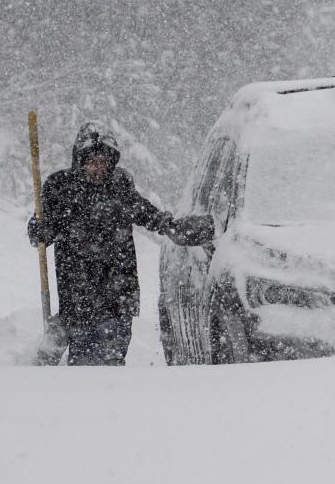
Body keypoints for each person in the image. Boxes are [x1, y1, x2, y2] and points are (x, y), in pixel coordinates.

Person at [27, 121, 215, 365]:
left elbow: (145, 212)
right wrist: (41, 229)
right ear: (80, 161)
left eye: (103, 163)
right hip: (77, 292)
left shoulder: (119, 186)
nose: (98, 169)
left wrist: (171, 226)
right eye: (91, 162)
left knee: (110, 360)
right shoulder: (61, 188)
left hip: (118, 290)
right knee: (83, 365)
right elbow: (39, 231)